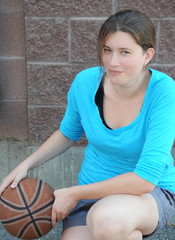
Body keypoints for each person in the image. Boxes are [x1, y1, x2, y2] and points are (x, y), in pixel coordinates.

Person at [0, 9, 175, 240]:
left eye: (125, 52)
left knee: (107, 220)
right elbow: (67, 133)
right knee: (111, 232)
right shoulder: (85, 82)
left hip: (148, 195)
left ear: (147, 55)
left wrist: (73, 193)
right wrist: (25, 165)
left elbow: (144, 180)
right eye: (107, 50)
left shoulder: (164, 92)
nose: (113, 62)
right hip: (92, 191)